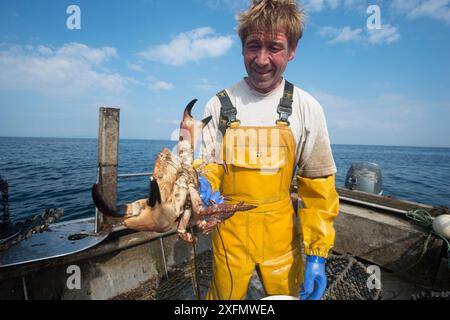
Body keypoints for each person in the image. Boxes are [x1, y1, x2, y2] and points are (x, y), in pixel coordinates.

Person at [194, 0, 340, 300]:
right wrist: (205, 184)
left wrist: (316, 254)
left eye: (274, 47)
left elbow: (318, 190)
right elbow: (207, 165)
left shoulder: (306, 107)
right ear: (242, 47)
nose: (262, 60)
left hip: (282, 243)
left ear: (292, 50)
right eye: (253, 46)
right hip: (228, 239)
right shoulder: (218, 105)